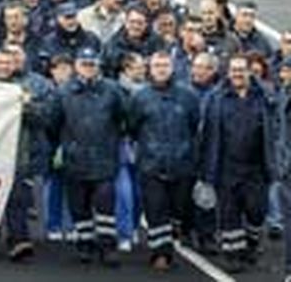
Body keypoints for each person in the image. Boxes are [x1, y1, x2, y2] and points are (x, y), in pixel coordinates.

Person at [48, 44, 128, 267]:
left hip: (104, 157)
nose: (88, 68)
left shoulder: (112, 90)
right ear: (76, 66)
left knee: (105, 206)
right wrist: (65, 146)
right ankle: (85, 245)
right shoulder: (63, 92)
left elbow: (125, 118)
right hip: (75, 159)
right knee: (79, 207)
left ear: (98, 66)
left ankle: (108, 247)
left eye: (92, 64)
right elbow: (53, 123)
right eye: (84, 64)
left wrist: (113, 139)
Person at [198, 53, 279, 271]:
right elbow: (205, 133)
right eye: (233, 70)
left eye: (241, 69)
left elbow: (276, 128)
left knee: (257, 210)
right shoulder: (216, 98)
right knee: (229, 213)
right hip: (226, 166)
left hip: (256, 167)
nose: (237, 74)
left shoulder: (265, 94)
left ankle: (251, 244)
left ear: (249, 71)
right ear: (227, 72)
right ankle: (232, 255)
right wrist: (205, 168)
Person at [129, 50, 200, 271]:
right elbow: (133, 127)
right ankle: (160, 253)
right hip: (151, 164)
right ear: (150, 68)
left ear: (172, 68)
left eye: (165, 65)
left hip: (181, 164)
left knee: (177, 207)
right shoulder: (140, 96)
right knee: (155, 209)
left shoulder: (188, 95)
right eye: (157, 65)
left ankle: (174, 233)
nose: (161, 69)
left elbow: (194, 124)